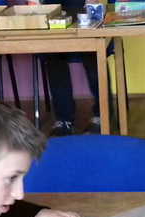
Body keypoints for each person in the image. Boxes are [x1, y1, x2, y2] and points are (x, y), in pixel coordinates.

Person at [44, 0, 105, 136]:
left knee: (93, 52)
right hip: (51, 11)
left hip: (83, 10)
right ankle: (63, 120)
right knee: (53, 55)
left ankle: (102, 116)